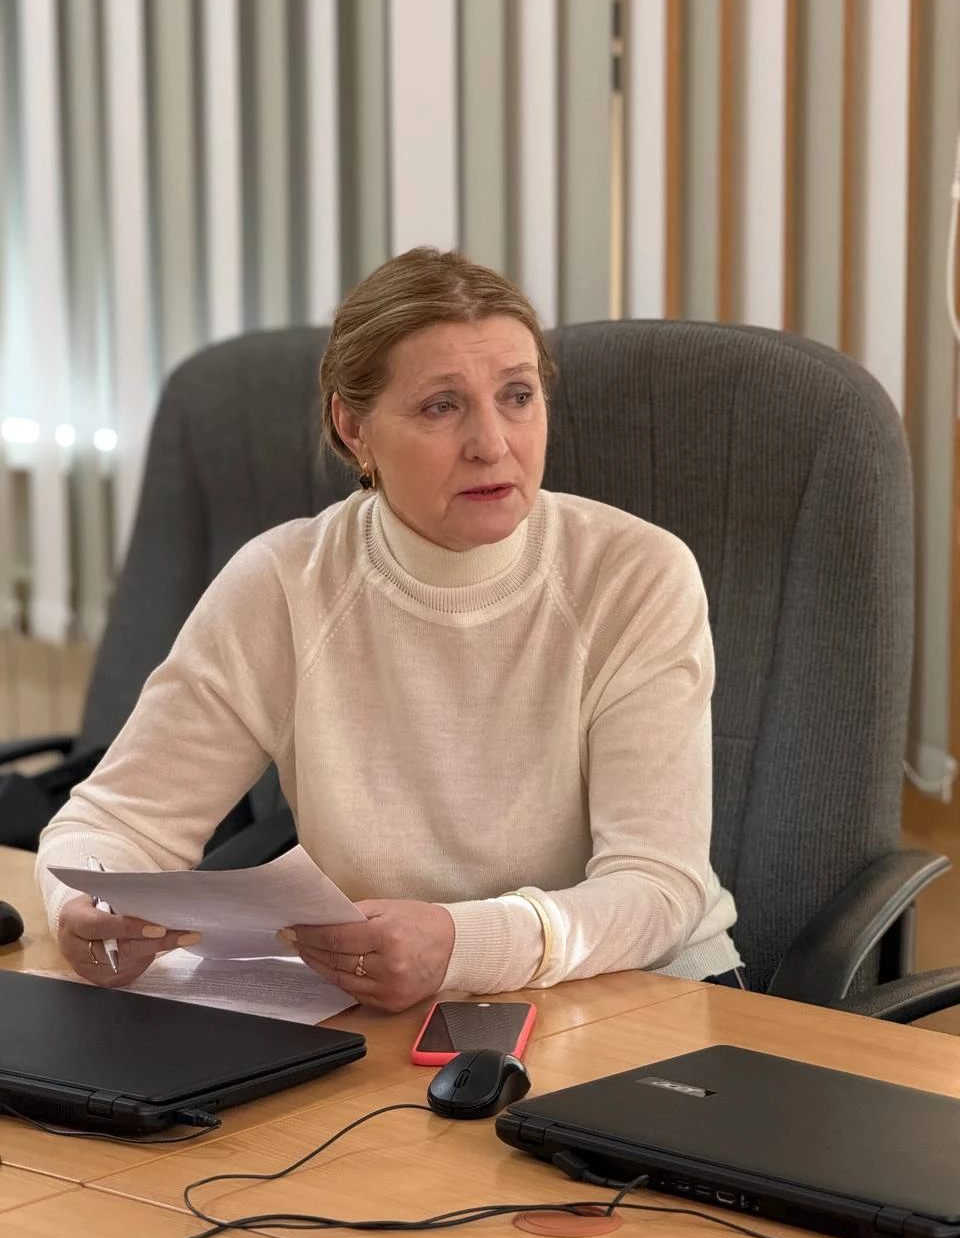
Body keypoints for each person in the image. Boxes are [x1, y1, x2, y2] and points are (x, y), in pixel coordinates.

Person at [36, 246, 741, 1012]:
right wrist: (89, 908)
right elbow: (116, 818)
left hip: (639, 994)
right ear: (353, 428)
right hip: (390, 1009)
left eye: (517, 396)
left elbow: (657, 886)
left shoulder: (635, 574)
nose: (492, 443)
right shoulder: (285, 583)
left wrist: (461, 944)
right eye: (442, 406)